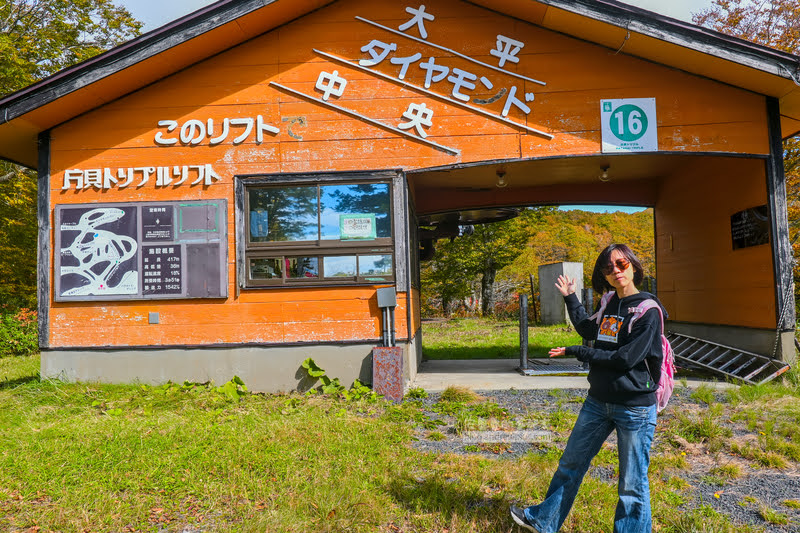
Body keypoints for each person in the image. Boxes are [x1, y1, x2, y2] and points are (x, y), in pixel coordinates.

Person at [510, 243, 666, 533]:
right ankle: (544, 521)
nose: (616, 271)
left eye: (621, 264)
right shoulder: (609, 303)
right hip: (598, 401)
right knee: (570, 464)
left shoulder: (648, 310)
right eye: (609, 268)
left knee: (632, 484)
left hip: (635, 408)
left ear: (633, 266)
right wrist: (570, 297)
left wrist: (578, 352)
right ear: (604, 275)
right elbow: (587, 329)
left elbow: (626, 359)